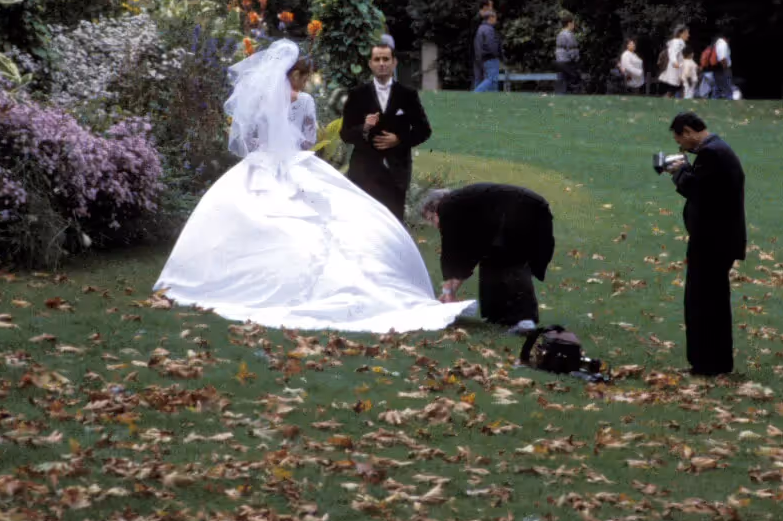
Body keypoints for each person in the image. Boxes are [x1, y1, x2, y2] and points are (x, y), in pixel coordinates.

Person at [154, 40, 473, 331]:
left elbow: (246, 140)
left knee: (244, 218)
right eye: (304, 77)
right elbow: (308, 141)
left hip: (260, 167)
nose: (305, 83)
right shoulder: (304, 101)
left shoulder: (260, 101)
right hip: (296, 164)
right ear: (296, 75)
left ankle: (230, 276)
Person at [663, 111, 746, 375]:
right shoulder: (716, 150)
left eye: (680, 139)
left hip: (712, 241)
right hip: (717, 240)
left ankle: (705, 363)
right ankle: (715, 362)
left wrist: (678, 171)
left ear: (688, 131)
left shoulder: (712, 154)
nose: (680, 146)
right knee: (713, 302)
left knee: (702, 304)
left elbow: (696, 189)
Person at [420, 184, 555, 336]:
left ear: (436, 208)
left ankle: (525, 321)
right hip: (523, 212)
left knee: (511, 262)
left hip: (525, 212)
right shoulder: (463, 207)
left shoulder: (447, 207)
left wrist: (448, 292)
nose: (435, 225)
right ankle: (499, 316)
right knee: (492, 258)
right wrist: (450, 292)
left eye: (431, 219)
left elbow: (450, 254)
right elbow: (467, 257)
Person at [341, 44, 433, 220]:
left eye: (386, 59)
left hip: (396, 171)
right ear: (370, 63)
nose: (382, 63)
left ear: (394, 62)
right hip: (364, 172)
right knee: (363, 221)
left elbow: (424, 130)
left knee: (394, 221)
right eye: (377, 59)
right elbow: (345, 134)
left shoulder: (407, 94)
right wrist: (364, 127)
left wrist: (399, 139)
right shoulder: (357, 94)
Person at [658, 26, 694, 99]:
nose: (688, 35)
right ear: (681, 34)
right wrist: (674, 62)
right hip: (675, 67)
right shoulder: (677, 42)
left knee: (677, 87)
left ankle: (670, 98)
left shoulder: (680, 43)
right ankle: (668, 98)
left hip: (678, 67)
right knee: (675, 87)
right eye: (687, 33)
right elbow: (673, 53)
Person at [473, 9, 502, 92]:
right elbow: (491, 45)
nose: (496, 19)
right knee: (491, 79)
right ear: (490, 18)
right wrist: (496, 55)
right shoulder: (488, 29)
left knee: (493, 81)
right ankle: (475, 94)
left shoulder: (481, 28)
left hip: (483, 58)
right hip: (490, 58)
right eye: (495, 17)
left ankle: (492, 98)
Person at [554, 15, 581, 94]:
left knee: (562, 80)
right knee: (575, 78)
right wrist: (576, 59)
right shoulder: (569, 35)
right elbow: (572, 50)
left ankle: (561, 94)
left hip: (559, 61)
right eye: (573, 23)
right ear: (569, 24)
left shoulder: (560, 34)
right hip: (567, 61)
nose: (574, 25)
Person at [712, 34, 733, 99]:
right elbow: (722, 58)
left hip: (717, 69)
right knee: (727, 88)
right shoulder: (723, 44)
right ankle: (729, 101)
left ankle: (714, 102)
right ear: (728, 39)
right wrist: (726, 68)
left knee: (717, 88)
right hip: (722, 69)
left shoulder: (717, 44)